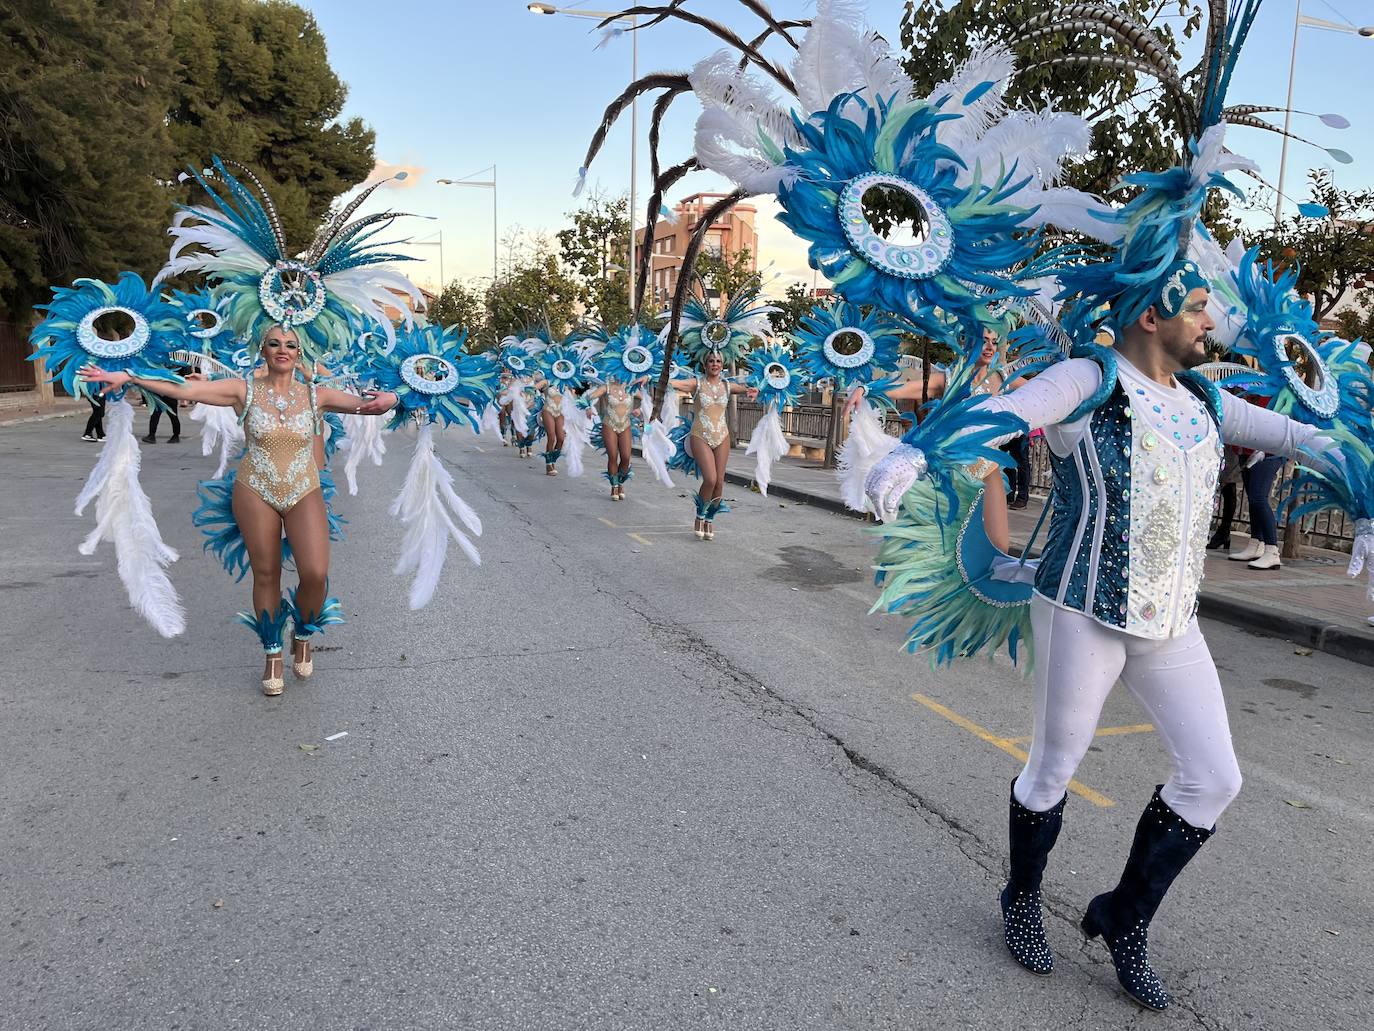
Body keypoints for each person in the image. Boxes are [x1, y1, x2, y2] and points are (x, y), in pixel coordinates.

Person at [81, 325, 396, 695]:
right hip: (255, 489)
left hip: (303, 488)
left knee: (315, 573)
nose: (283, 349)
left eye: (290, 345)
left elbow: (370, 405)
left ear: (299, 354)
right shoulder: (242, 391)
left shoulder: (317, 395)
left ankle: (304, 633)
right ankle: (272, 653)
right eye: (275, 343)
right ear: (262, 350)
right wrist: (131, 376)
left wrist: (392, 397)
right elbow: (186, 389)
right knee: (266, 573)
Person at [845, 327, 1026, 550]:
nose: (990, 347)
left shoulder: (1005, 378)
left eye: (994, 342)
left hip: (989, 471)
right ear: (968, 343)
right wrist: (867, 389)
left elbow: (1043, 393)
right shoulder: (951, 379)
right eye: (984, 340)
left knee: (996, 547)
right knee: (944, 545)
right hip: (952, 472)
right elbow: (905, 388)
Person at [667, 352, 758, 540]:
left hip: (722, 436)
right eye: (711, 361)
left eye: (718, 361)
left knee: (719, 481)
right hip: (700, 435)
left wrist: (755, 390)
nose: (714, 364)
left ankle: (710, 518)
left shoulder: (727, 386)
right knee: (710, 478)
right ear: (705, 364)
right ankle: (700, 515)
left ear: (722, 365)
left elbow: (752, 387)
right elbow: (673, 383)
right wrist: (650, 377)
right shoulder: (696, 383)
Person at [581, 376, 647, 500]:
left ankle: (621, 481)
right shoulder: (606, 387)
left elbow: (648, 401)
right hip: (609, 425)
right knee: (612, 455)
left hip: (625, 425)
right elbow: (587, 398)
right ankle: (614, 486)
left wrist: (640, 409)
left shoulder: (632, 388)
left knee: (626, 457)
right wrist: (588, 407)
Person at [1230, 449, 1286, 569]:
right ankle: (1255, 544)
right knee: (1253, 499)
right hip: (1246, 449)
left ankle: (1272, 551)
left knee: (1259, 498)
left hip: (1268, 450)